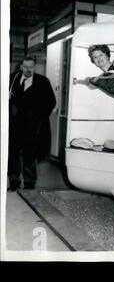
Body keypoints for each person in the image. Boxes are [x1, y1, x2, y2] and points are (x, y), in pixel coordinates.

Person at [8, 56, 56, 191]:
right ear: (21, 67)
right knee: (13, 155)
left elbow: (51, 102)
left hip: (33, 126)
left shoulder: (43, 81)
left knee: (29, 155)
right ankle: (14, 183)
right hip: (14, 125)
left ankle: (29, 184)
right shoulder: (12, 79)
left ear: (35, 67)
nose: (28, 69)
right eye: (25, 67)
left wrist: (38, 118)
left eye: (31, 67)